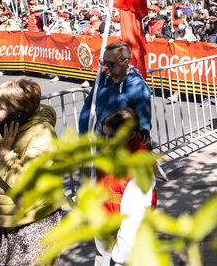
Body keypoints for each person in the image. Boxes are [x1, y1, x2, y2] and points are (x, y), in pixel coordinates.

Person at [0, 78, 66, 265]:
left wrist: (6, 154)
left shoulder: (41, 135)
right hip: (6, 225)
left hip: (32, 226)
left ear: (19, 113)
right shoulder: (2, 130)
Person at [95, 108, 157, 266]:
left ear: (131, 135)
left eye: (113, 136)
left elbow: (137, 210)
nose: (108, 141)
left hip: (126, 233)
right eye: (106, 136)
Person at [78, 41, 152, 135]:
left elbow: (144, 125)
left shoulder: (138, 88)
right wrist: (83, 136)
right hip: (99, 144)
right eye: (104, 62)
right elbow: (88, 106)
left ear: (125, 62)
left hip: (121, 146)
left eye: (110, 64)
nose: (105, 67)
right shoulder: (102, 78)